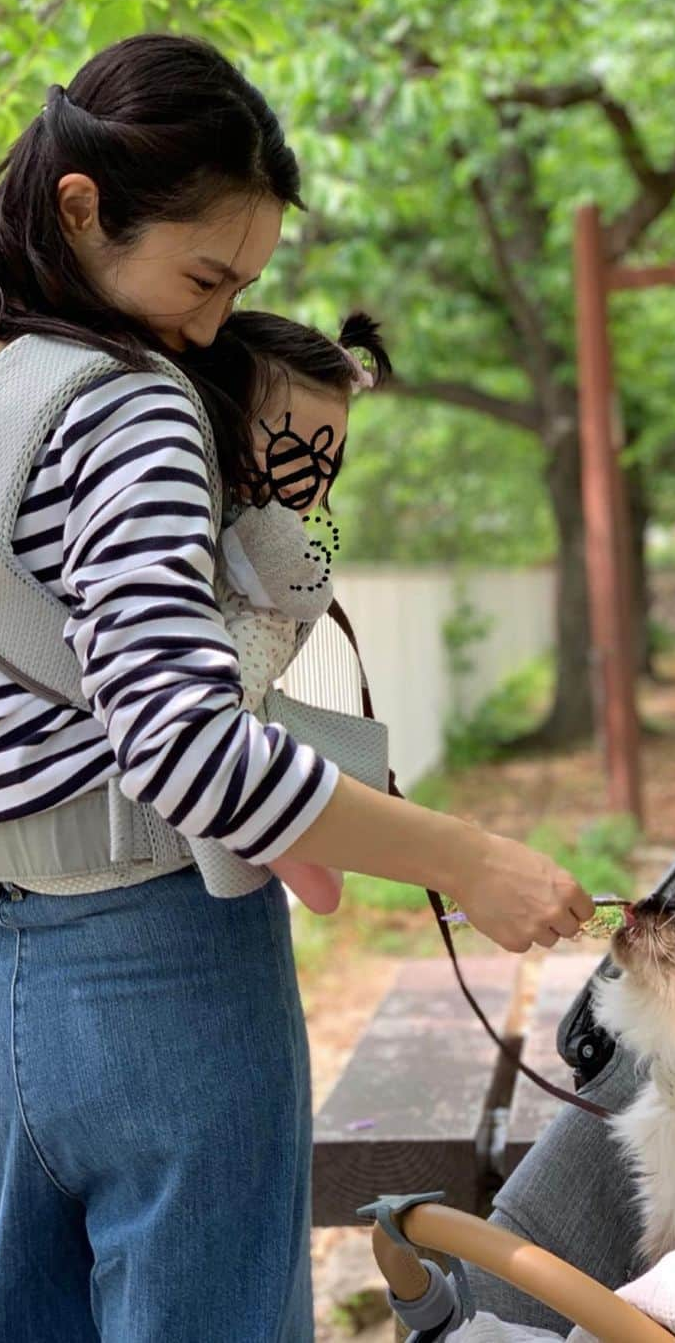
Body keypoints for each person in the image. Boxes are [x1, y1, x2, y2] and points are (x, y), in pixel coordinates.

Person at [0, 34, 592, 1343]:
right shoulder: (131, 408)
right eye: (203, 275)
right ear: (83, 208)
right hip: (156, 968)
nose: (209, 325)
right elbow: (189, 752)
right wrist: (469, 857)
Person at [205, 306, 393, 914]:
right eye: (286, 447)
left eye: (327, 456)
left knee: (224, 718)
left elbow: (303, 588)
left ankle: (298, 858)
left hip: (259, 629)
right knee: (221, 725)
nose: (308, 474)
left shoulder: (278, 523)